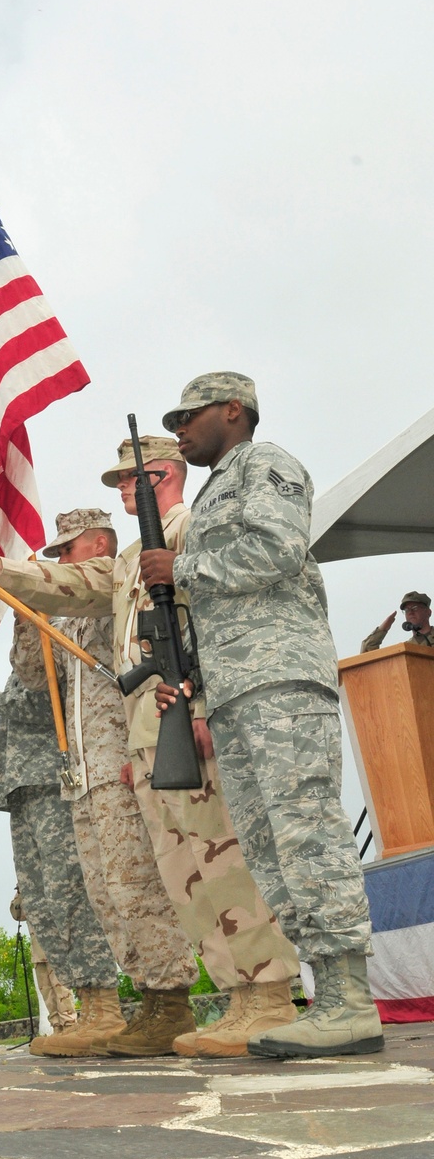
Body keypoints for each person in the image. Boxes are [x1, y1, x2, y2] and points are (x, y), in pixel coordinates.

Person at [141, 371, 381, 1058]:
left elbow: (276, 552)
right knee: (272, 849)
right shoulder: (220, 486)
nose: (180, 429)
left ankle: (350, 1001)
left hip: (280, 679)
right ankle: (327, 999)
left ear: (233, 411)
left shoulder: (265, 464)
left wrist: (178, 567)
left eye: (190, 416)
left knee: (305, 832)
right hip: (235, 691)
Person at [0, 512, 200, 1058]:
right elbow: (36, 682)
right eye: (54, 555)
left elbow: (34, 699)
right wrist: (25, 611)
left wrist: (19, 578)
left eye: (68, 550)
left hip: (123, 756)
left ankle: (165, 1000)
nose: (59, 561)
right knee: (106, 893)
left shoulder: (116, 588)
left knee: (133, 883)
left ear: (101, 544)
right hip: (77, 768)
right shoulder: (65, 620)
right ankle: (141, 1004)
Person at [0, 668, 127, 1055]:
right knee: (41, 906)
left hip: (53, 782)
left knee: (69, 896)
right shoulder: (21, 663)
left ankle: (105, 1010)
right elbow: (9, 730)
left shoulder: (49, 641)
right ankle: (87, 1011)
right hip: (20, 792)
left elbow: (48, 707)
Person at [9, 888, 78, 1034]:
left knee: (62, 990)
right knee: (47, 993)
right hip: (39, 952)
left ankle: (70, 1026)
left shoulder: (49, 886)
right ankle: (57, 1028)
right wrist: (20, 892)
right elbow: (18, 914)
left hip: (57, 949)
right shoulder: (27, 893)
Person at [361, 591, 434, 653]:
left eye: (415, 608)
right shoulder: (406, 649)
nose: (410, 612)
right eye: (406, 610)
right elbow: (367, 650)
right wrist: (382, 629)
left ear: (428, 612)